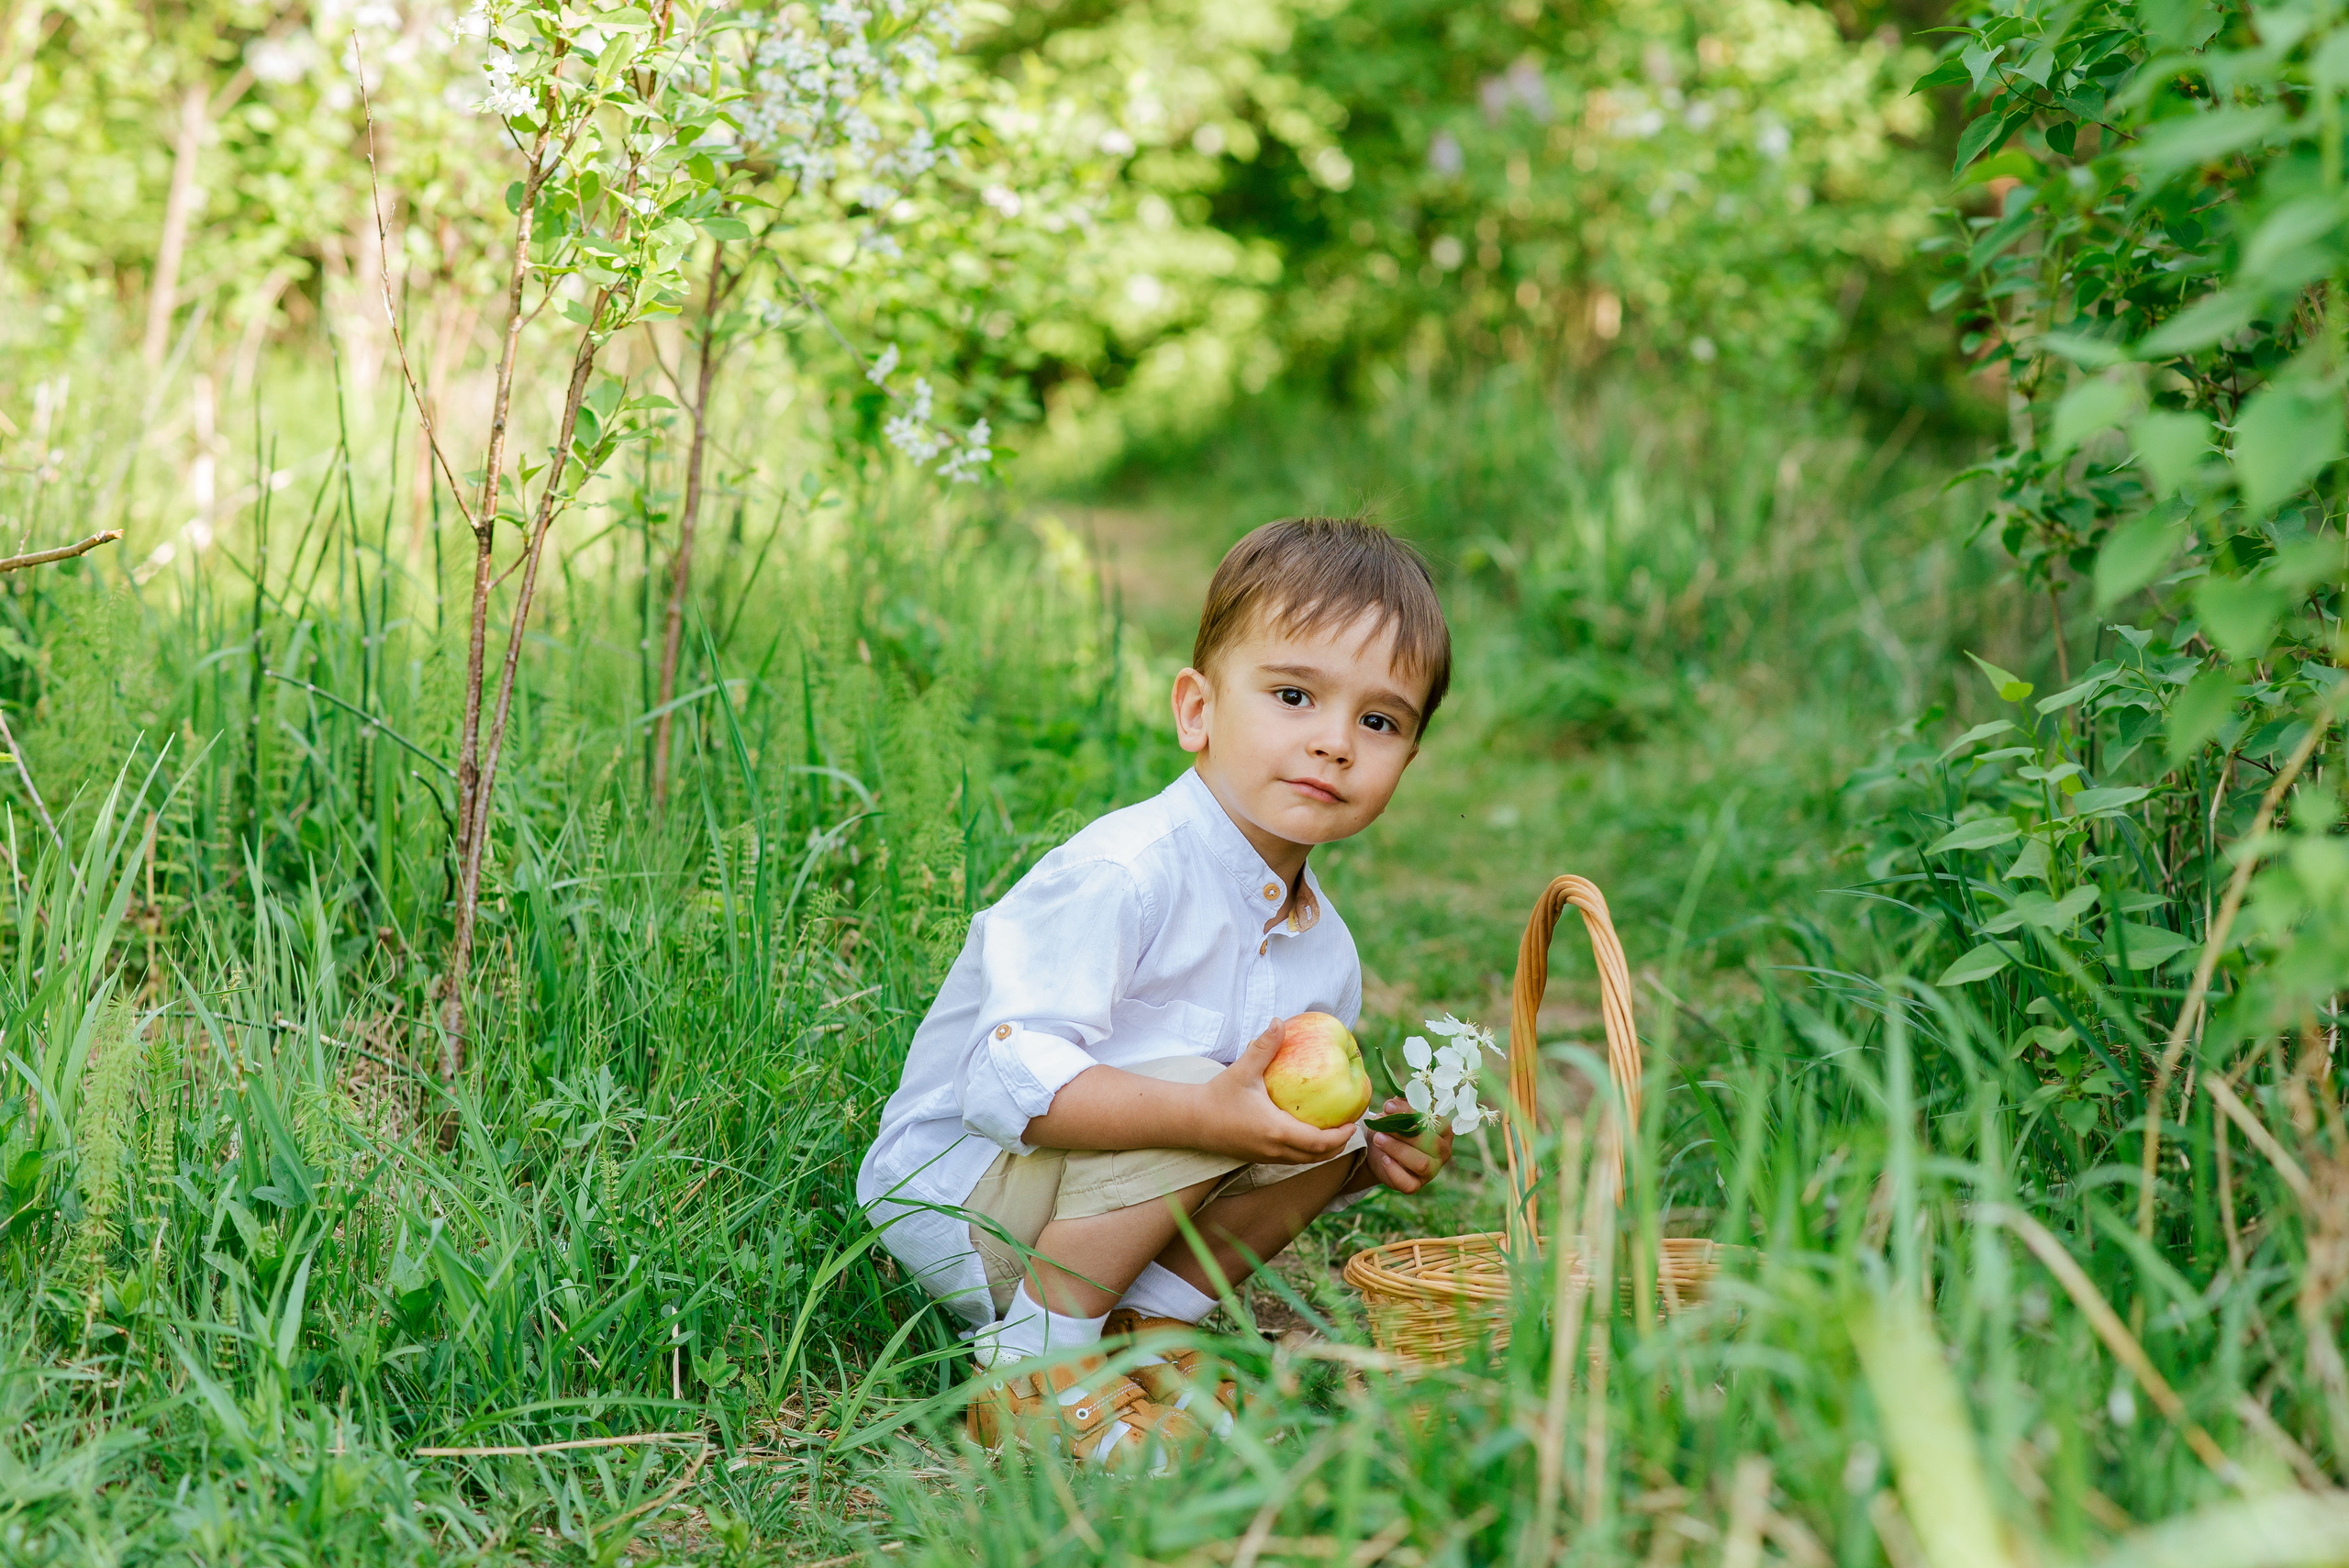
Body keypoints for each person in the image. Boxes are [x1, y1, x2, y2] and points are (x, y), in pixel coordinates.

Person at [855, 516, 1456, 1468]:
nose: (1335, 741)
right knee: (1196, 1084)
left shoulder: (1324, 951)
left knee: (1319, 1118)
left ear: (1406, 760)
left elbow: (1256, 1149)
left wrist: (1358, 1152)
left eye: (1378, 720)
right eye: (1294, 694)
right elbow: (1003, 1081)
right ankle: (1033, 1371)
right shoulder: (1123, 873)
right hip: (968, 1204)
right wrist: (1204, 1109)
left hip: (1094, 1219)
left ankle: (1145, 1328)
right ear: (1196, 709)